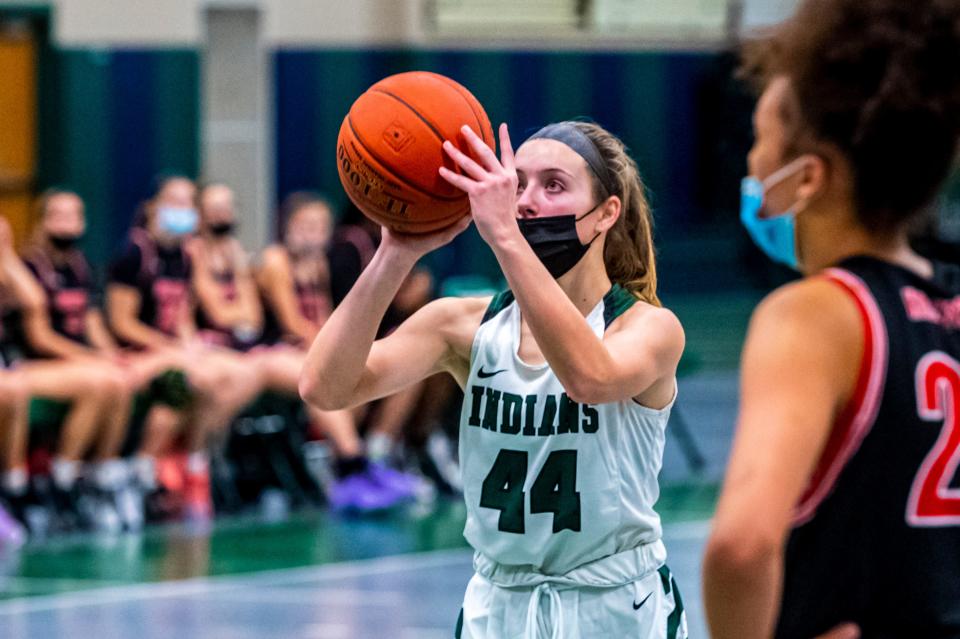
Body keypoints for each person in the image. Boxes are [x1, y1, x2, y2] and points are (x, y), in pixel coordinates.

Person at [302, 120, 687, 638]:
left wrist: (506, 237)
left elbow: (590, 378)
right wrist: (395, 253)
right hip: (498, 606)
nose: (523, 200)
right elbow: (325, 388)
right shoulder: (462, 325)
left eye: (553, 185)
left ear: (606, 214)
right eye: (518, 182)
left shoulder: (647, 327)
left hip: (613, 605)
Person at [702, 1, 960, 637]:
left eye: (760, 141)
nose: (752, 166)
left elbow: (741, 545)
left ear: (809, 178)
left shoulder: (813, 315)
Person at [107, 175, 263, 520]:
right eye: (173, 201)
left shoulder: (183, 255)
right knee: (196, 380)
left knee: (246, 374)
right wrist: (172, 347)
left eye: (188, 203)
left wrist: (188, 342)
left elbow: (180, 315)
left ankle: (193, 458)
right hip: (137, 354)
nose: (182, 210)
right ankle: (147, 468)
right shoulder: (135, 252)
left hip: (170, 352)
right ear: (153, 207)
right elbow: (121, 323)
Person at [257, 192, 417, 511]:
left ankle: (370, 457)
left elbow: (328, 317)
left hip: (309, 346)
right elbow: (291, 324)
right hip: (275, 351)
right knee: (322, 377)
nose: (313, 232)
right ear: (286, 225)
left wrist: (342, 348)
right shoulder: (275, 260)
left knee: (373, 368)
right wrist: (332, 350)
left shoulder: (317, 263)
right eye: (305, 224)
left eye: (320, 225)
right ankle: (350, 464)